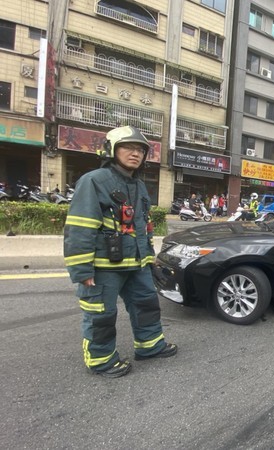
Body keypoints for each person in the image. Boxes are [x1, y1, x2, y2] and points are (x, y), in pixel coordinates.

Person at [64, 126, 177, 378]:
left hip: (137, 264)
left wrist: (150, 260)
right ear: (111, 150)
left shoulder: (139, 186)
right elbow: (80, 228)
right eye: (128, 147)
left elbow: (142, 226)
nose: (135, 154)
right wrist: (82, 270)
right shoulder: (94, 180)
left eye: (140, 150)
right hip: (104, 267)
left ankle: (150, 346)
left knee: (146, 305)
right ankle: (101, 360)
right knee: (101, 316)